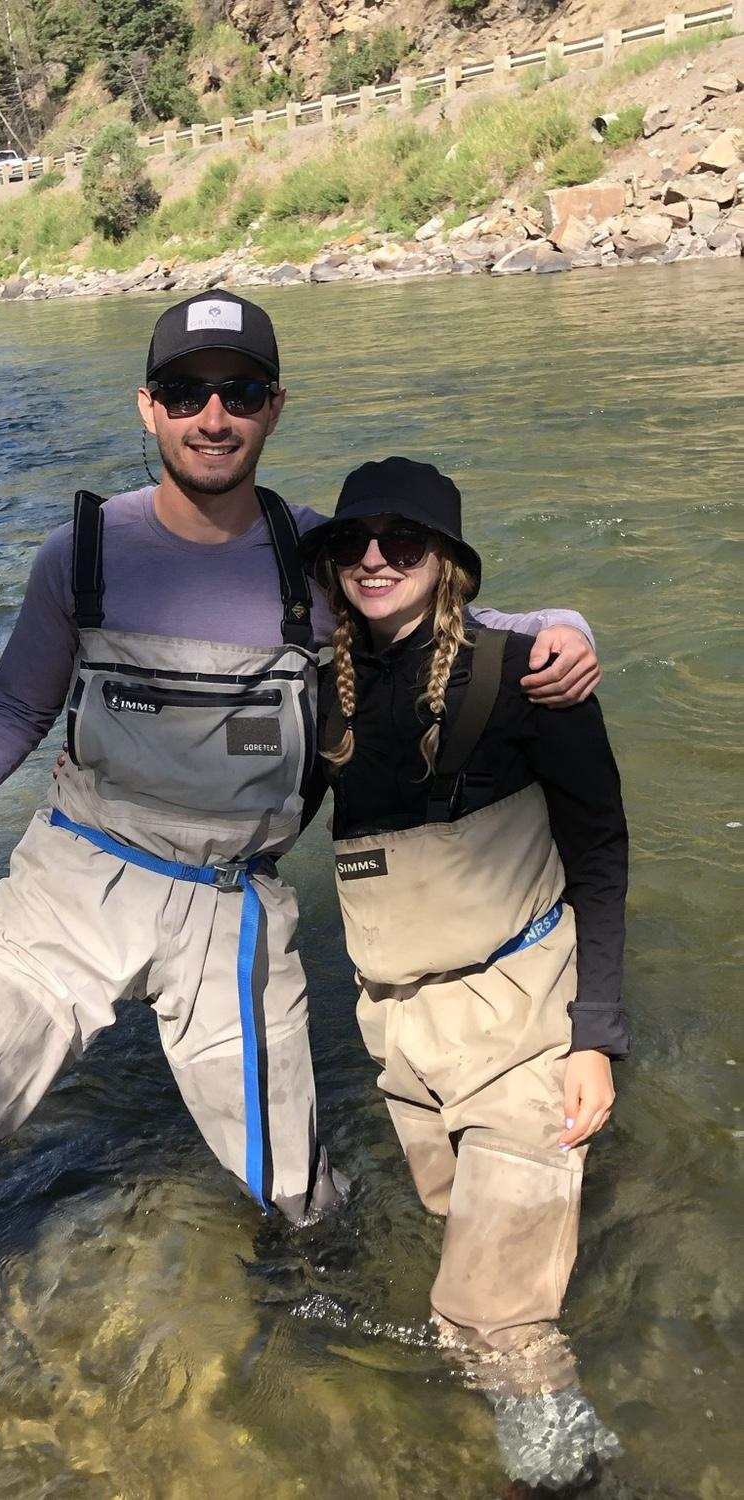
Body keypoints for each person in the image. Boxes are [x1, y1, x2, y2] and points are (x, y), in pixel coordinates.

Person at [0, 292, 602, 1363]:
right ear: (148, 407)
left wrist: (564, 628)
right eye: (185, 392)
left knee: (296, 1182)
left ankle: (328, 1345)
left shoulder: (317, 557)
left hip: (234, 908)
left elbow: (442, 620)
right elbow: (15, 714)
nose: (211, 415)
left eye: (240, 392)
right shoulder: (75, 556)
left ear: (274, 410)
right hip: (70, 887)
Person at [300, 456, 627, 1492]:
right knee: (463, 1262)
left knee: (492, 1316)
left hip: (526, 1016)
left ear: (450, 563)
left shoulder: (531, 673)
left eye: (406, 542)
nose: (377, 558)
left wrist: (595, 1037)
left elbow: (603, 853)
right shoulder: (322, 697)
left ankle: (579, 1480)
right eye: (355, 543)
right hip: (397, 1032)